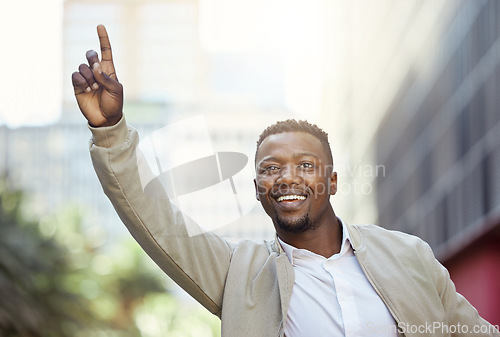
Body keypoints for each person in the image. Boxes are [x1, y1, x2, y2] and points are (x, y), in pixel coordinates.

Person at [72, 25, 499, 337]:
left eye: (305, 165)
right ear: (258, 189)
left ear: (332, 182)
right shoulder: (238, 273)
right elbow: (156, 220)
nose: (287, 176)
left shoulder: (408, 255)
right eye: (271, 168)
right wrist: (111, 130)